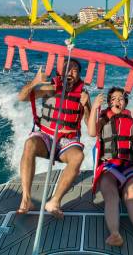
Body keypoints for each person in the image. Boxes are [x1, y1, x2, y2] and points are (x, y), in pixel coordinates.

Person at [17, 59, 90, 218]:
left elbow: (90, 126)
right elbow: (22, 97)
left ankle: (55, 201)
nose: (70, 72)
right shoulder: (50, 88)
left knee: (78, 156)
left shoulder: (83, 94)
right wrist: (35, 83)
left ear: (79, 75)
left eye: (75, 69)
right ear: (59, 72)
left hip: (67, 140)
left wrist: (87, 106)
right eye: (67, 68)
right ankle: (26, 199)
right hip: (46, 136)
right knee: (29, 144)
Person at [88, 87, 133, 247]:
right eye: (114, 98)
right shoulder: (103, 117)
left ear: (126, 103)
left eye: (121, 98)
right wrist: (94, 108)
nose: (117, 101)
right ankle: (115, 234)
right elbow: (91, 132)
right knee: (112, 197)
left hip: (129, 166)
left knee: (131, 196)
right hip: (109, 167)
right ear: (109, 103)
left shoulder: (131, 118)